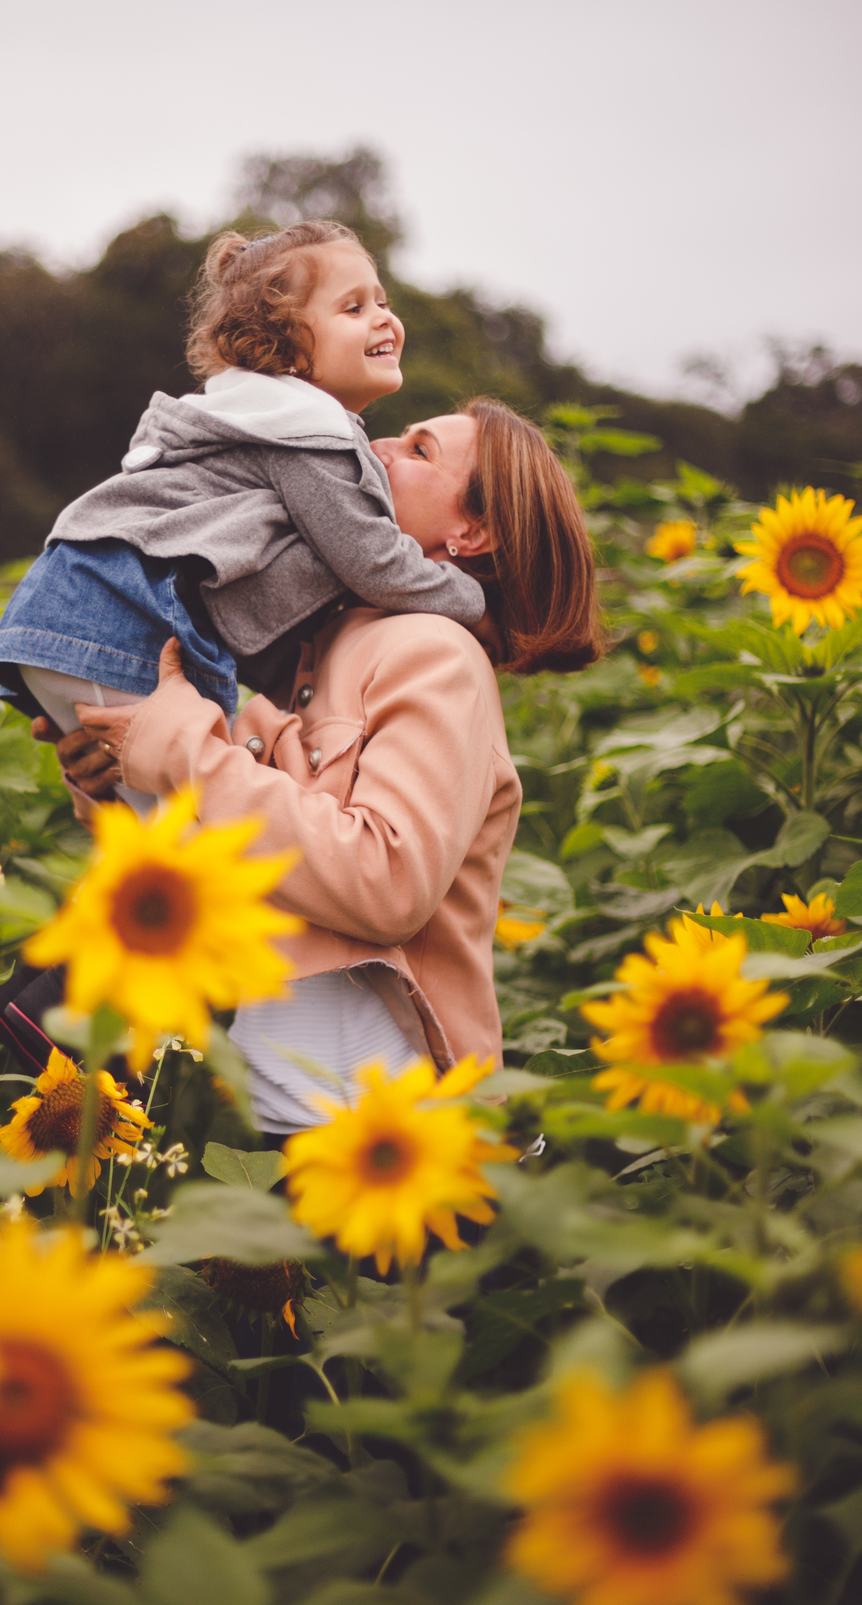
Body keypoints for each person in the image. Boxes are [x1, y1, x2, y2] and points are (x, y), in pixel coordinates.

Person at [46, 399, 602, 1136]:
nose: (380, 445)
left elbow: (384, 880)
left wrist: (181, 748)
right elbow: (258, 850)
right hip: (278, 1119)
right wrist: (116, 778)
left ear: (473, 533)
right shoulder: (325, 644)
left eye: (420, 450)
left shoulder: (435, 652)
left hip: (387, 1135)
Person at [0, 221, 486, 814]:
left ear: (475, 531)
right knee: (192, 838)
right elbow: (374, 560)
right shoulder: (308, 434)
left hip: (87, 606)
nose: (384, 318)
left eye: (382, 301)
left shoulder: (271, 420)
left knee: (173, 826)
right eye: (353, 308)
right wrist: (472, 600)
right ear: (287, 350)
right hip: (122, 617)